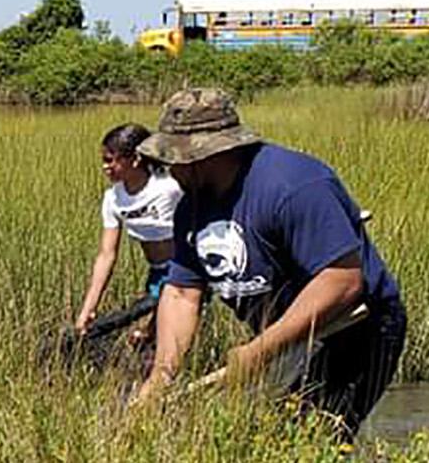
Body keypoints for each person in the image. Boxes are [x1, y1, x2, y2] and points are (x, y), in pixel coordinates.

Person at [128, 88, 407, 441]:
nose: (167, 170)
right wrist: (160, 377)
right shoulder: (191, 206)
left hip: (353, 327)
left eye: (173, 159)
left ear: (206, 154)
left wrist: (259, 350)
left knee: (308, 442)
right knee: (258, 437)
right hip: (279, 335)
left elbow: (341, 281)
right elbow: (183, 293)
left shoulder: (295, 185)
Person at [73, 123, 182, 343]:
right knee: (143, 338)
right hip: (157, 273)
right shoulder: (113, 199)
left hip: (185, 267)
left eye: (110, 160)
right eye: (103, 160)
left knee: (162, 333)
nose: (105, 167)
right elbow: (106, 255)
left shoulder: (169, 186)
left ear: (135, 159)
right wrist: (89, 308)